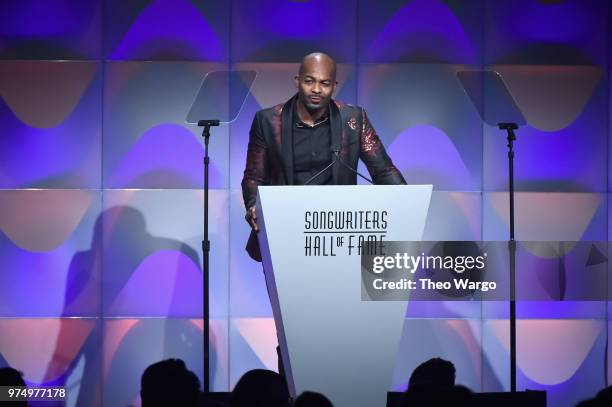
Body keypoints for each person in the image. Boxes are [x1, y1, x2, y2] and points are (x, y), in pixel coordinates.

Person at [242, 52, 406, 261]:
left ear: (334, 86)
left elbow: (383, 170)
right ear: (297, 81)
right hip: (285, 230)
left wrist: (406, 200)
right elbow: (254, 177)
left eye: (325, 83)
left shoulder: (353, 119)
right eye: (309, 81)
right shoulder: (267, 120)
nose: (317, 89)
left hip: (337, 234)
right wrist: (253, 205)